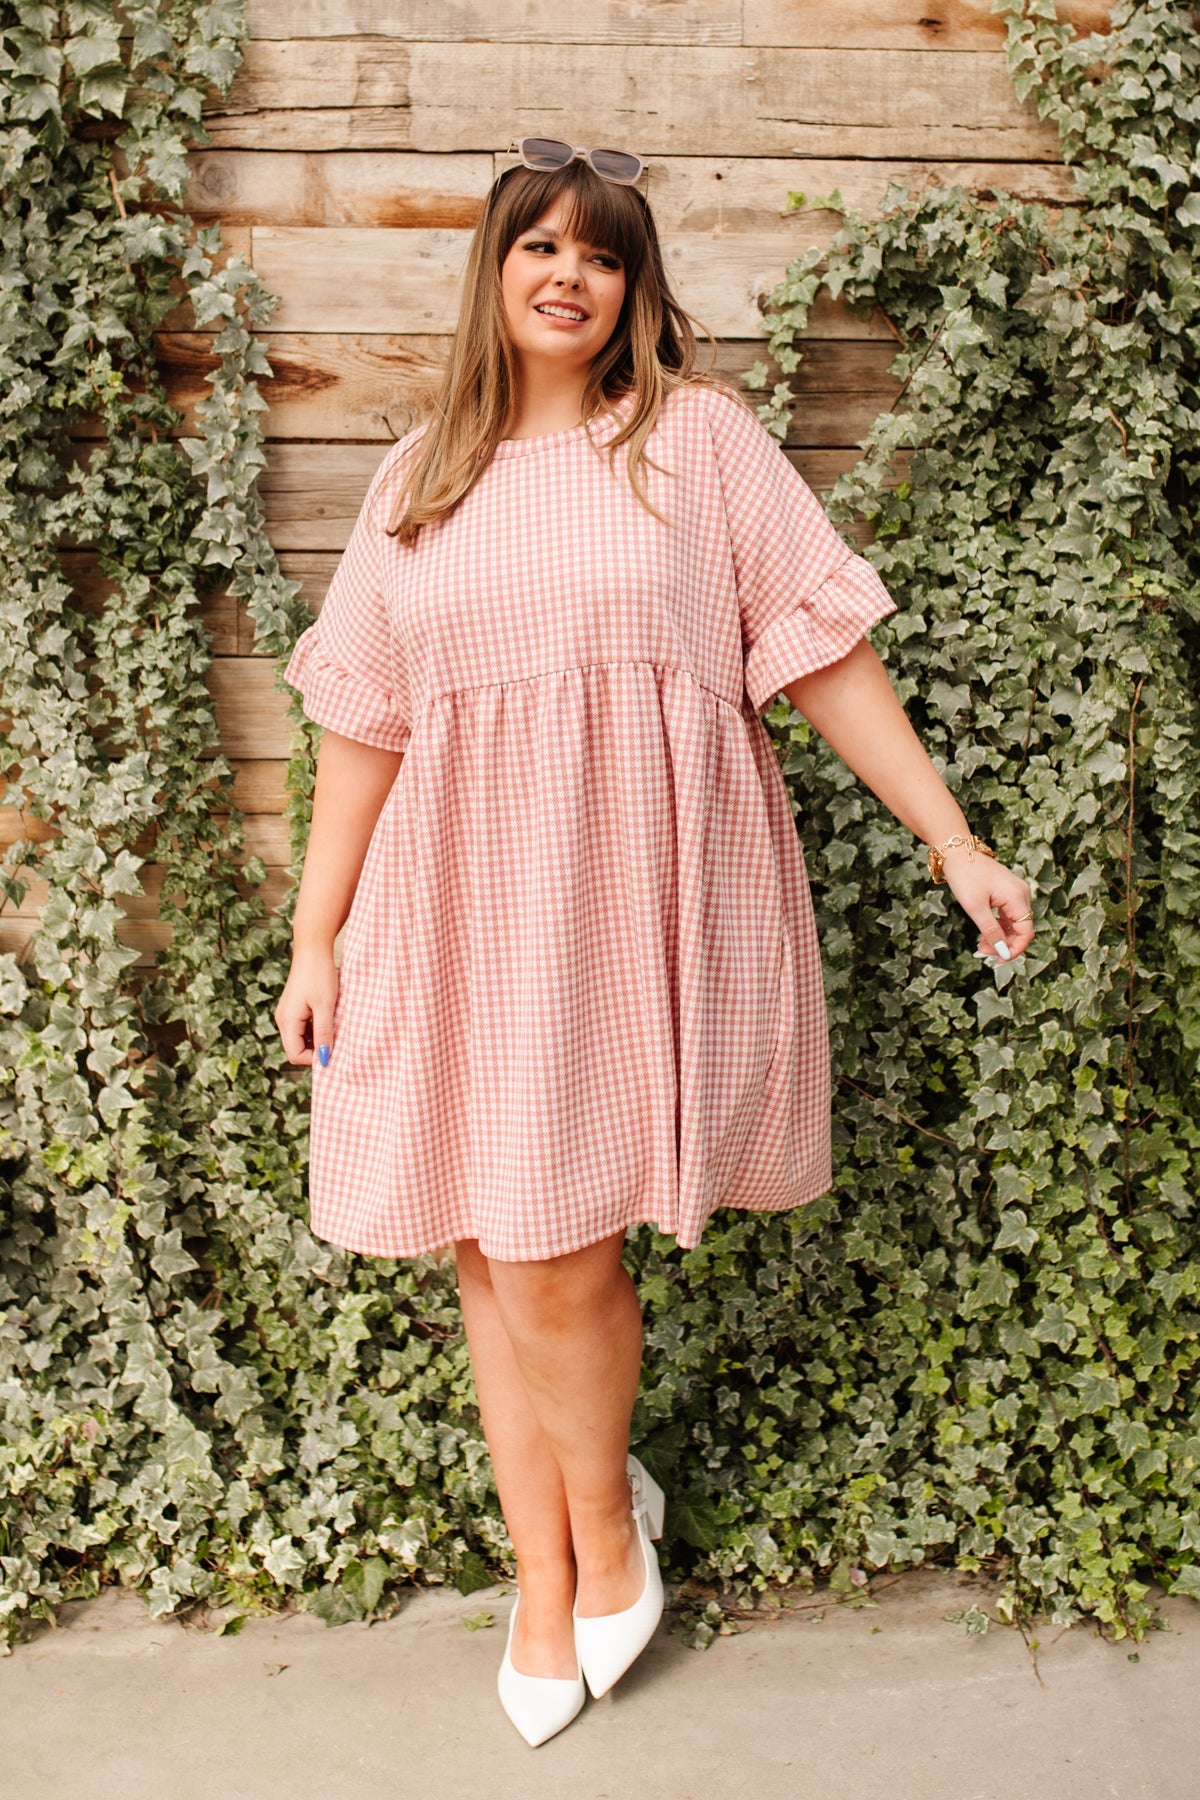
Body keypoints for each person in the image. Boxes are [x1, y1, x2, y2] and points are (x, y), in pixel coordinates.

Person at [274, 137, 1035, 1748]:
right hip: (454, 909)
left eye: (602, 253)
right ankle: (544, 1579)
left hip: (627, 904)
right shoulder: (422, 478)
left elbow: (824, 658)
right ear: (493, 272)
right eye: (538, 245)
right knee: (490, 1248)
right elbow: (364, 731)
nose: (568, 273)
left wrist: (950, 836)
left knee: (555, 1250)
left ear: (634, 288)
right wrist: (314, 935)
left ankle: (610, 1534)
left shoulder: (701, 446)